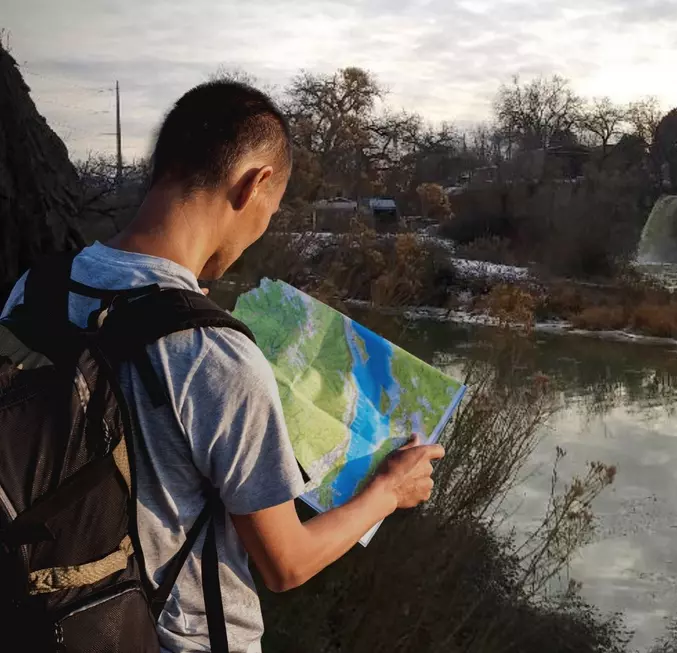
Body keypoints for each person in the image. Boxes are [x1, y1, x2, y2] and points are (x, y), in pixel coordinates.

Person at [1, 81, 444, 653]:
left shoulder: (34, 290)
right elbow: (287, 563)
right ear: (254, 183)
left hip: (54, 621)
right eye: (271, 210)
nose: (260, 231)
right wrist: (389, 488)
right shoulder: (216, 356)